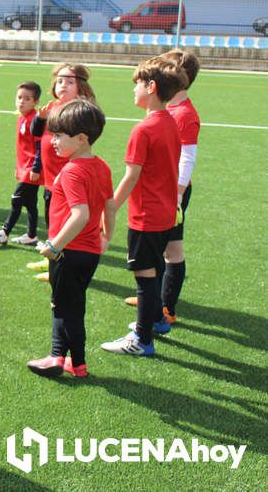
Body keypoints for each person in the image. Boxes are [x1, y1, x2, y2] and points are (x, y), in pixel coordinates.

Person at [100, 56, 186, 357]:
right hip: (166, 212)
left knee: (144, 275)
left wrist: (109, 206)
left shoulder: (144, 129)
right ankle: (157, 320)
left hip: (147, 215)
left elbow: (131, 176)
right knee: (157, 267)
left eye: (136, 84)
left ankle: (142, 340)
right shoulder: (170, 121)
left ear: (151, 87)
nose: (133, 90)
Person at [26, 100, 115, 378]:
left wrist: (54, 246)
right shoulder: (101, 166)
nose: (52, 141)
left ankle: (77, 365)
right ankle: (59, 357)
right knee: (67, 305)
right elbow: (110, 206)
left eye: (58, 135)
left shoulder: (71, 171)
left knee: (67, 309)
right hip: (89, 252)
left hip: (69, 251)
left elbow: (80, 215)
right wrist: (106, 238)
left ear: (81, 139)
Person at [124, 50, 200, 327]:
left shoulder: (183, 114)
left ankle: (165, 307)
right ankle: (152, 302)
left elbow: (187, 157)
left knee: (172, 250)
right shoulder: (168, 113)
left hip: (171, 194)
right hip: (165, 193)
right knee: (159, 250)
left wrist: (177, 195)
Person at [26, 64, 97, 280]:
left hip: (68, 181)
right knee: (52, 221)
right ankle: (51, 260)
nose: (63, 85)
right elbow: (35, 134)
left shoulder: (80, 111)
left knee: (64, 223)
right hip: (50, 180)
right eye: (59, 80)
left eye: (69, 81)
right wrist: (40, 118)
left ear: (80, 86)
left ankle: (59, 264)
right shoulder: (53, 107)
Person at [0, 82, 42, 245]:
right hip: (24, 168)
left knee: (16, 199)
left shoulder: (35, 120)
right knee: (30, 203)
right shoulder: (21, 117)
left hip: (31, 169)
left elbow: (40, 146)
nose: (21, 101)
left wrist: (36, 167)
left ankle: (4, 232)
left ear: (36, 102)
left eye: (27, 99)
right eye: (19, 97)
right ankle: (32, 235)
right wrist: (19, 168)